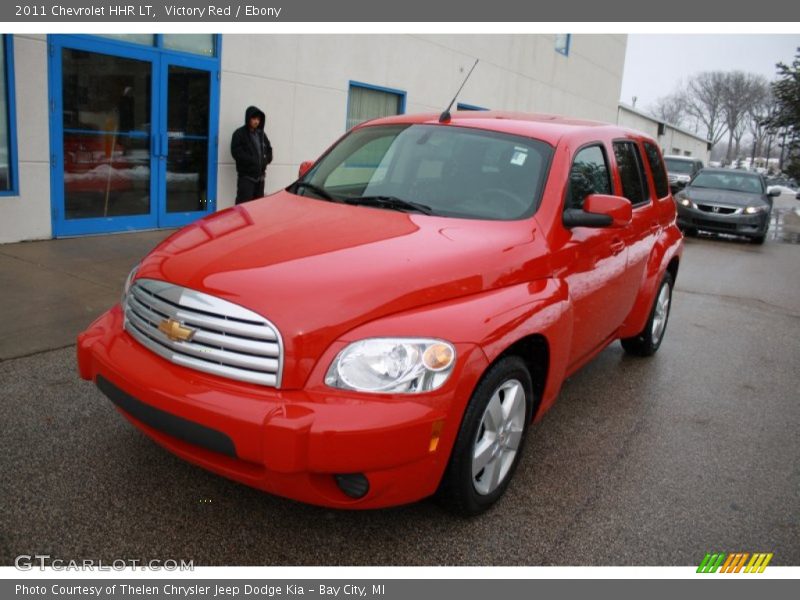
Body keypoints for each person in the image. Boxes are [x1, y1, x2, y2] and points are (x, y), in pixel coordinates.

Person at [230, 105, 273, 204]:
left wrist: (266, 161)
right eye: (254, 118)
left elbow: (269, 149)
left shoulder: (262, 135)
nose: (256, 121)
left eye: (258, 119)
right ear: (248, 118)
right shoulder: (239, 134)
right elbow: (236, 152)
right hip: (246, 178)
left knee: (257, 207)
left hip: (260, 179)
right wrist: (252, 162)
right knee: (243, 206)